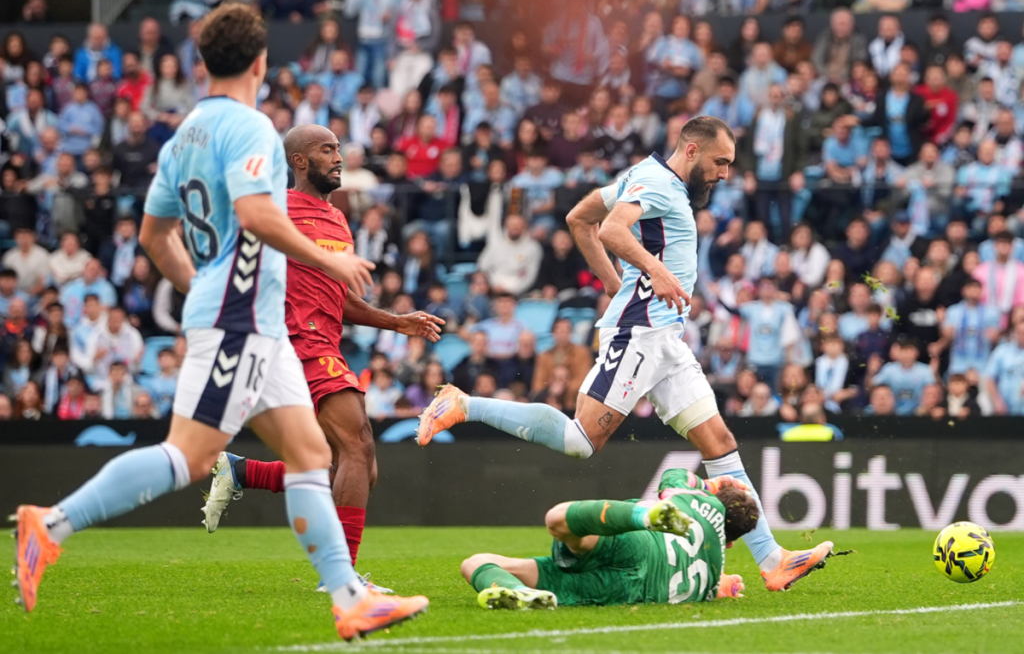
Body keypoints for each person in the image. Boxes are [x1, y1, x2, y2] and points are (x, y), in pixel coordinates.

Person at [12, 5, 427, 640]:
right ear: (260, 63)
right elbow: (260, 217)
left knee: (316, 454)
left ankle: (348, 596)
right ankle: (52, 523)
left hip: (248, 318)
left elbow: (154, 236)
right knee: (188, 455)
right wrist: (328, 262)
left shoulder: (183, 137)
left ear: (202, 63)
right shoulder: (253, 129)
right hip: (240, 321)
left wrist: (199, 283)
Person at [418, 117, 834, 592]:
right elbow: (612, 231)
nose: (725, 174)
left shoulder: (646, 176)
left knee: (719, 443)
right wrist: (651, 272)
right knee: (580, 441)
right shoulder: (657, 182)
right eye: (720, 163)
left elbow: (580, 218)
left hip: (664, 339)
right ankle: (463, 403)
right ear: (693, 151)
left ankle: (772, 560)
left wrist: (619, 286)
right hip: (638, 334)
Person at [200, 124, 444, 581]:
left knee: (351, 465)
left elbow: (343, 299)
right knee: (358, 445)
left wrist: (398, 321)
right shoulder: (279, 210)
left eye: (338, 149)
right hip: (294, 342)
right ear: (299, 161)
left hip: (322, 341)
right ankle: (340, 576)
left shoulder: (336, 220)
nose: (338, 157)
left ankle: (242, 472)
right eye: (326, 149)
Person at [460, 469, 753, 610]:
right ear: (730, 542)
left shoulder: (704, 503)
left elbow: (673, 476)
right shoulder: (714, 573)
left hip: (640, 544)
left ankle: (643, 516)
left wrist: (711, 483)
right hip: (629, 590)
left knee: (556, 519)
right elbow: (716, 585)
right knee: (475, 563)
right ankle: (519, 593)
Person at [984, 319, 1024, 415]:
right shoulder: (1002, 351)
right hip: (1003, 409)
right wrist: (997, 401)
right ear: (1014, 332)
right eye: (1020, 332)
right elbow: (989, 378)